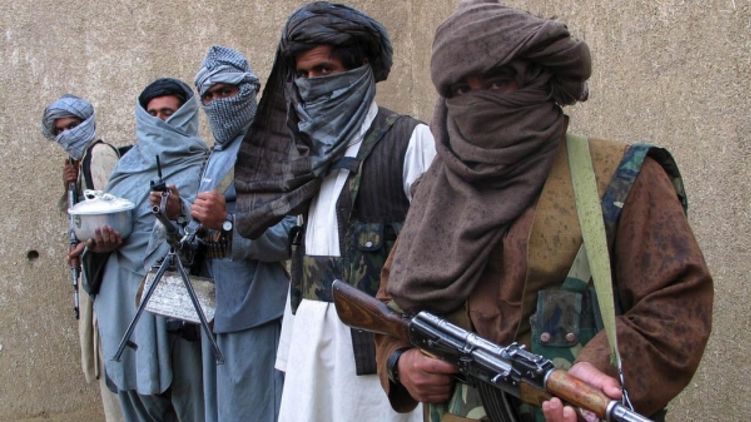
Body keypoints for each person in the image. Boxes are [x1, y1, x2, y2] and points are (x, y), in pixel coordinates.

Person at [374, 1, 714, 422]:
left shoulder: (622, 177)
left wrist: (601, 371)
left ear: (538, 82)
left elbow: (678, 306)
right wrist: (401, 363)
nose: (478, 103)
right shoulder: (438, 191)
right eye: (461, 90)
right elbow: (391, 303)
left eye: (498, 82)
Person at [233, 2, 436, 421]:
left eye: (324, 70)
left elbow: (436, 258)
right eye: (304, 74)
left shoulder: (410, 141)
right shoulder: (305, 155)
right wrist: (293, 349)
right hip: (310, 349)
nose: (312, 85)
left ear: (359, 70)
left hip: (377, 358)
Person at [78, 78, 209, 421]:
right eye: (152, 114)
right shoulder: (126, 167)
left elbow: (208, 237)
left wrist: (177, 212)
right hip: (121, 299)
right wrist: (100, 243)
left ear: (185, 115)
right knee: (136, 403)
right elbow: (107, 215)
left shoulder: (204, 166)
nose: (159, 121)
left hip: (176, 308)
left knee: (192, 402)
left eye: (168, 113)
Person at [185, 45, 292, 422]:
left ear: (248, 91)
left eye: (226, 91)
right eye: (209, 95)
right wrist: (177, 214)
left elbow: (287, 236)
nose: (217, 102)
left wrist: (226, 223)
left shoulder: (271, 150)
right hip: (215, 308)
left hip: (256, 309)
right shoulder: (216, 154)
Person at [42, 94, 123, 422]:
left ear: (87, 123)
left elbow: (115, 217)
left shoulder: (99, 155)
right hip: (96, 277)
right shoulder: (80, 163)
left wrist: (86, 246)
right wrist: (69, 187)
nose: (67, 134)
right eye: (60, 130)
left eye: (73, 126)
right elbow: (81, 216)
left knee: (114, 367)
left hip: (112, 277)